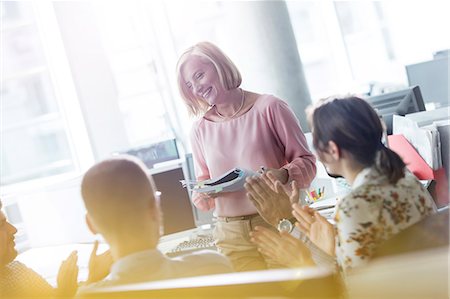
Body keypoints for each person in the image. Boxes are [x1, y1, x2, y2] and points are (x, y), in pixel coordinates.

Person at [249, 96, 436, 273]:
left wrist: (300, 261)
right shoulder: (407, 180)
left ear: (332, 150)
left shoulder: (355, 206)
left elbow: (350, 290)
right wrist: (335, 249)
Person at [176, 41, 316, 271]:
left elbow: (308, 163)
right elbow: (203, 191)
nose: (196, 88)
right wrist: (204, 191)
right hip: (230, 235)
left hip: (275, 223)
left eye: (199, 75)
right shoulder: (200, 130)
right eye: (190, 85)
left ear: (220, 66)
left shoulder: (270, 107)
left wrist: (282, 174)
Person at [77, 155, 232, 293]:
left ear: (90, 225)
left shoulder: (89, 296)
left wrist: (91, 280)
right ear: (155, 208)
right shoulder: (214, 268)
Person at [0, 199, 78, 298]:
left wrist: (92, 277)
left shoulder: (18, 270)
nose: (13, 230)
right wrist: (65, 292)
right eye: (1, 225)